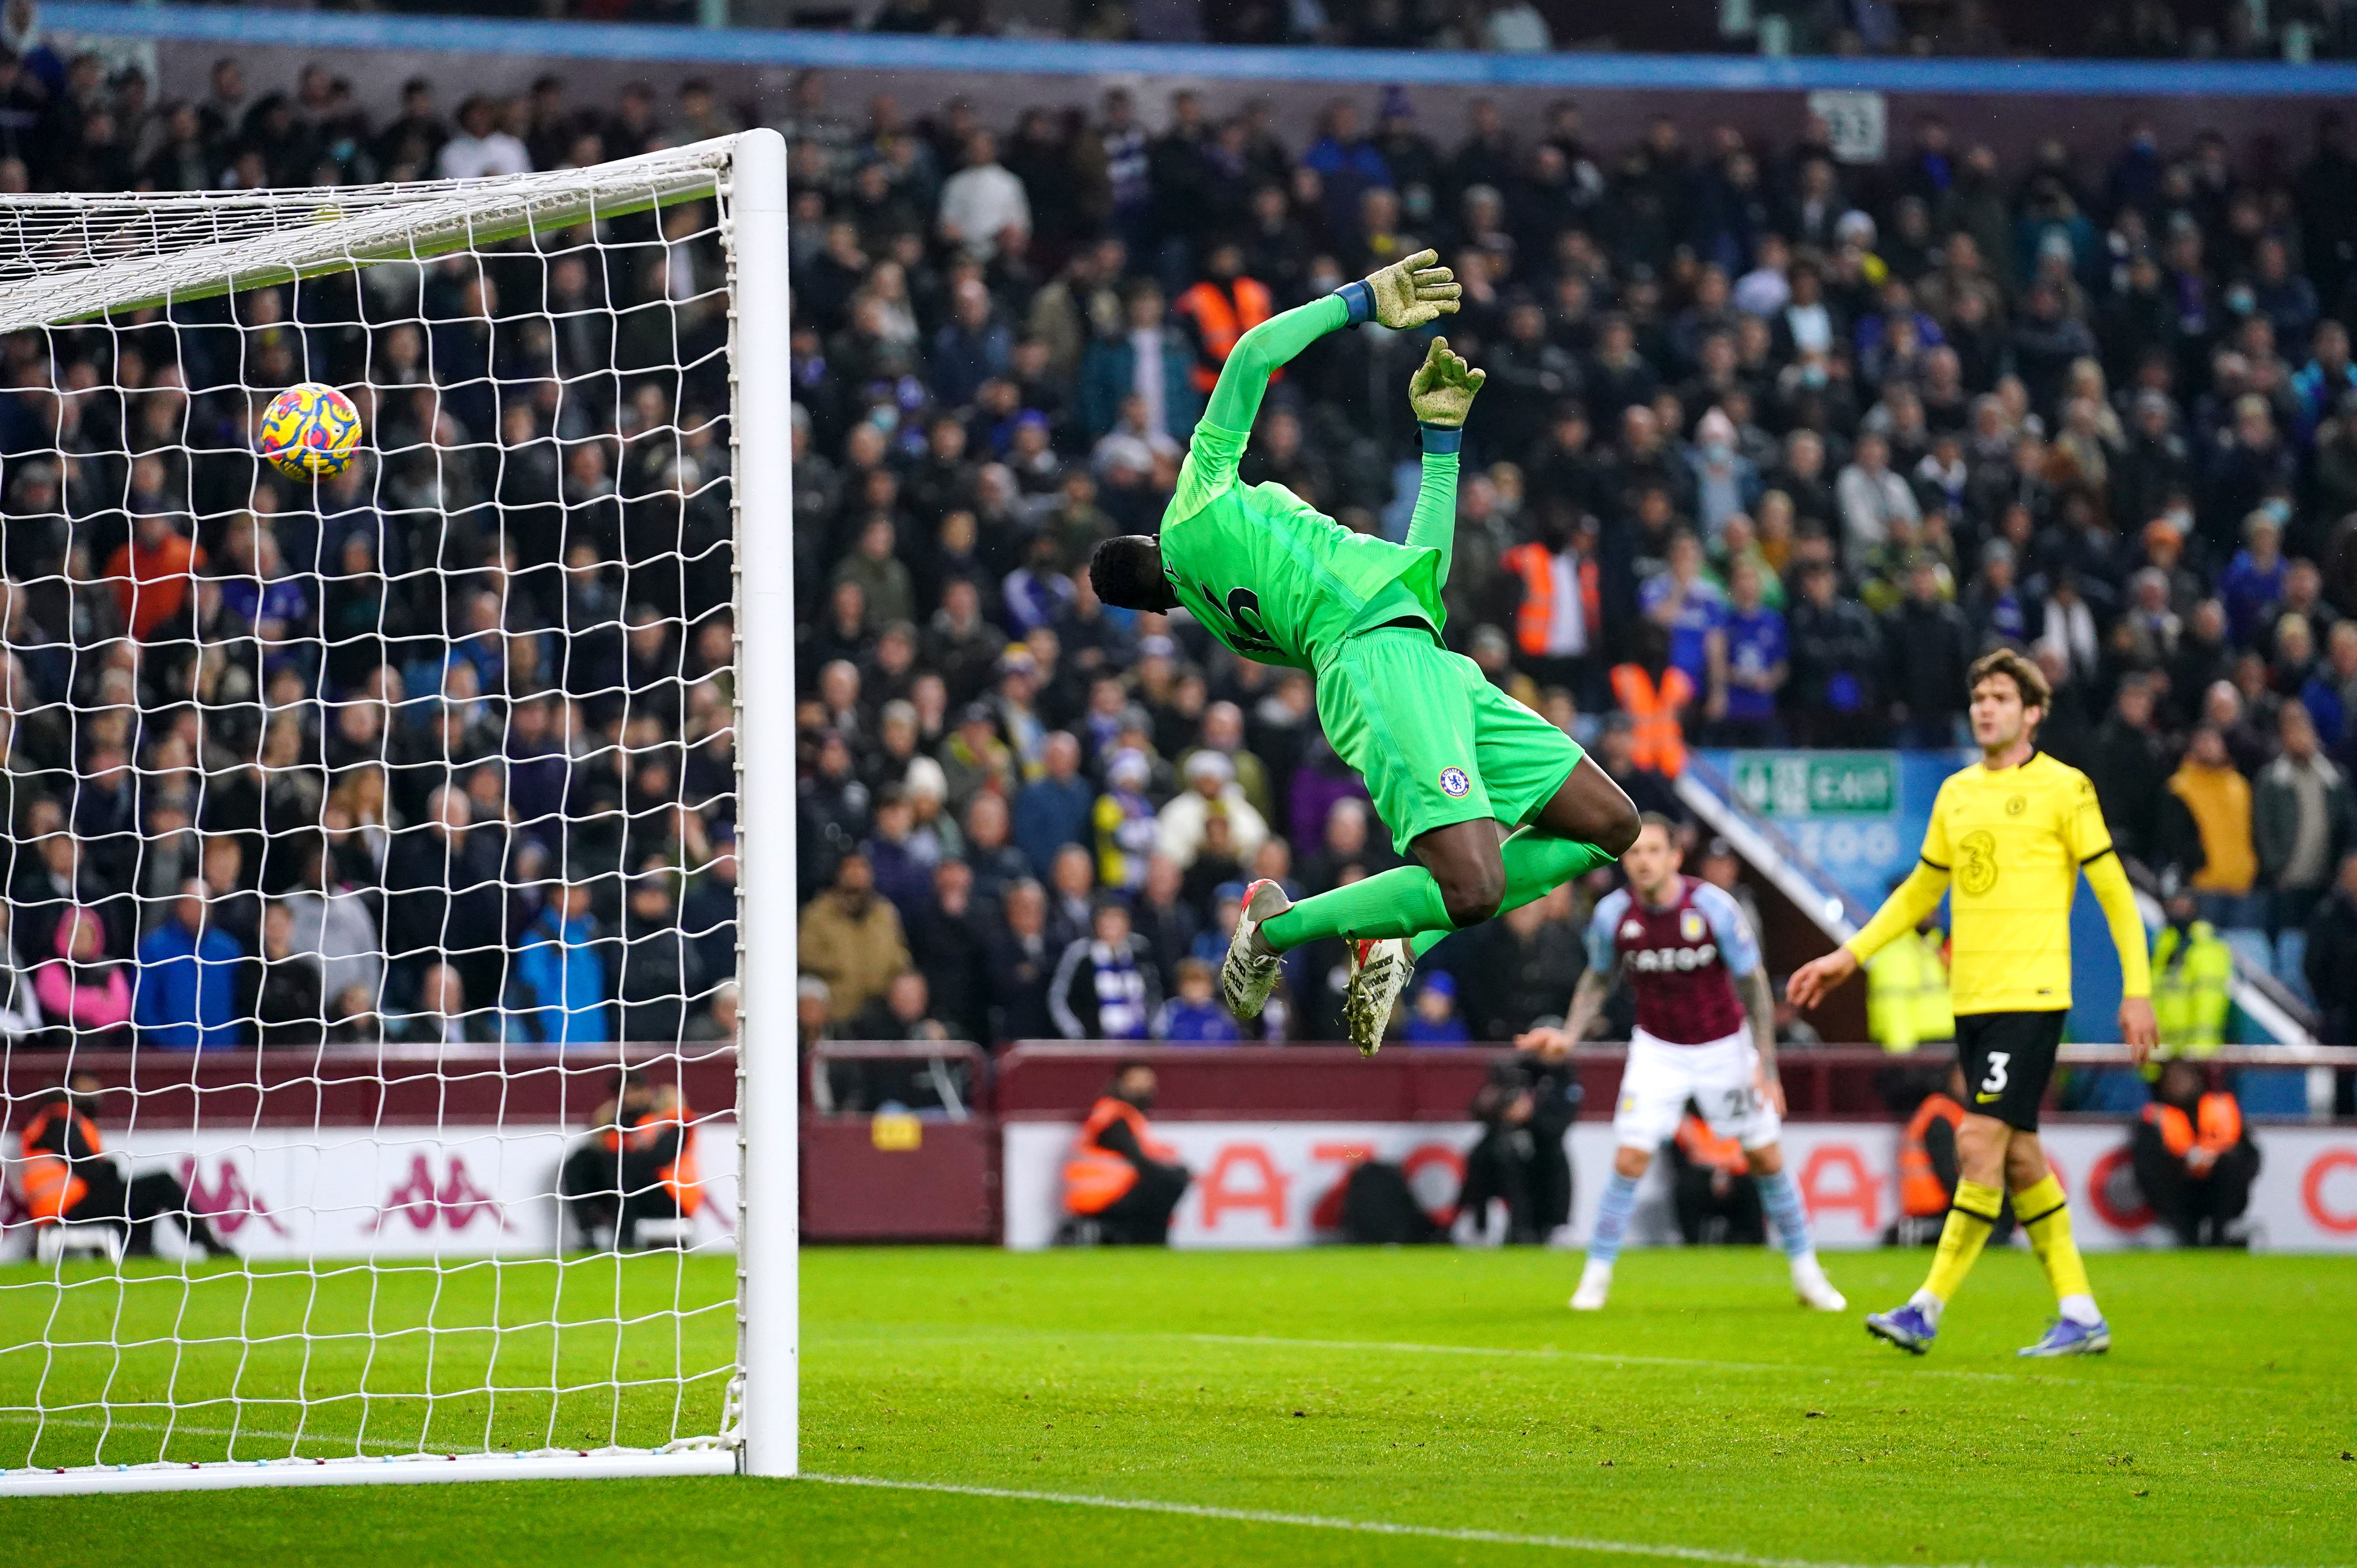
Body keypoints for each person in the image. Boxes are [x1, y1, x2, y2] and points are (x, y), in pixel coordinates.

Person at [1087, 251, 1637, 1054]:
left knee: (1609, 823)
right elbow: (1248, 355)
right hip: (1382, 667)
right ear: (1150, 540)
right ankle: (1280, 926)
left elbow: (1420, 585)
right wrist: (1357, 301)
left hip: (1426, 660)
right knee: (1476, 886)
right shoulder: (1196, 505)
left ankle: (1399, 937)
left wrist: (1440, 442)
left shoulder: (1232, 624)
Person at [1789, 648, 2157, 1357]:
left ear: (2032, 713)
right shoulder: (1957, 793)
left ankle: (1926, 1306)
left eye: (1999, 697)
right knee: (2019, 1158)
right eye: (1979, 697)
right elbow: (1921, 893)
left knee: (1975, 1139)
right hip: (1973, 1000)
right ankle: (2080, 1312)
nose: (1985, 707)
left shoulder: (2064, 788)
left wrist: (2136, 990)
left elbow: (2115, 894)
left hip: (2033, 994)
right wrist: (1848, 955)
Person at [1519, 814, 1845, 1313]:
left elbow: (1753, 985)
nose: (1642, 861)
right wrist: (1569, 1035)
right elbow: (1598, 979)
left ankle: (1807, 1273)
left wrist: (1766, 1064)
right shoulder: (1612, 915)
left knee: (1766, 1158)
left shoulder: (1713, 908)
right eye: (1634, 853)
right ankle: (1596, 1278)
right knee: (1629, 1159)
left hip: (1723, 1047)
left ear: (1675, 857)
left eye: (1653, 851)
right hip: (1658, 1049)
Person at [20, 1073, 227, 1258]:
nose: (94, 1094)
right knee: (161, 1185)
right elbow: (89, 1169)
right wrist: (111, 1169)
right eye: (86, 1088)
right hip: (67, 1208)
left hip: (58, 1208)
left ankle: (140, 1250)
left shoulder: (48, 1121)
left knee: (141, 1195)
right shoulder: (61, 1118)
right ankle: (210, 1245)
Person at [558, 1072, 700, 1250]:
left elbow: (661, 1156)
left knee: (620, 1166)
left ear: (648, 1092)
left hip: (671, 1193)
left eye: (635, 1091)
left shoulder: (669, 1117)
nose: (629, 1097)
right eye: (623, 1093)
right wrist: (604, 1129)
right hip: (628, 1191)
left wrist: (629, 1146)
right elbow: (605, 1150)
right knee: (580, 1162)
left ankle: (625, 1239)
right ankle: (589, 1233)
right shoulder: (617, 1121)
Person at [2130, 1059, 2259, 1247]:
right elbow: (2144, 1164)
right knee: (2155, 1167)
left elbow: (2251, 1157)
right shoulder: (2155, 1116)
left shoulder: (2221, 1107)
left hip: (2219, 1187)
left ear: (2198, 1079)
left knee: (2234, 1162)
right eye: (2171, 1079)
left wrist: (2216, 1159)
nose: (2177, 1084)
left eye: (2183, 1078)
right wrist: (2183, 1163)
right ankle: (2183, 1233)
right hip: (2177, 1191)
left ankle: (2220, 1234)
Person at [1061, 1061, 1190, 1244]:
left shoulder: (1126, 1116)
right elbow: (1141, 1161)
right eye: (1136, 1082)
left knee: (1171, 1177)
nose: (1142, 1088)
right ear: (1120, 1083)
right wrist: (1177, 1173)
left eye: (1147, 1083)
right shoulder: (1114, 1117)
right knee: (1171, 1180)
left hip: (1109, 1195)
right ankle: (1151, 1242)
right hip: (1101, 1199)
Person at [1888, 1064, 1971, 1247]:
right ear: (1951, 1079)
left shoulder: (1949, 1112)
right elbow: (1947, 1173)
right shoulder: (1941, 1117)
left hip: (1933, 1210)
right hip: (1934, 1210)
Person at [1667, 1102, 1765, 1246]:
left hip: (1733, 1177)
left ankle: (1755, 1242)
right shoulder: (1688, 1122)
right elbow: (1695, 1155)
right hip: (1702, 1178)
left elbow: (1741, 1158)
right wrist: (1719, 1169)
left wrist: (1723, 1171)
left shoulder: (1735, 1123)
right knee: (1687, 1186)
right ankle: (1690, 1242)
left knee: (1749, 1184)